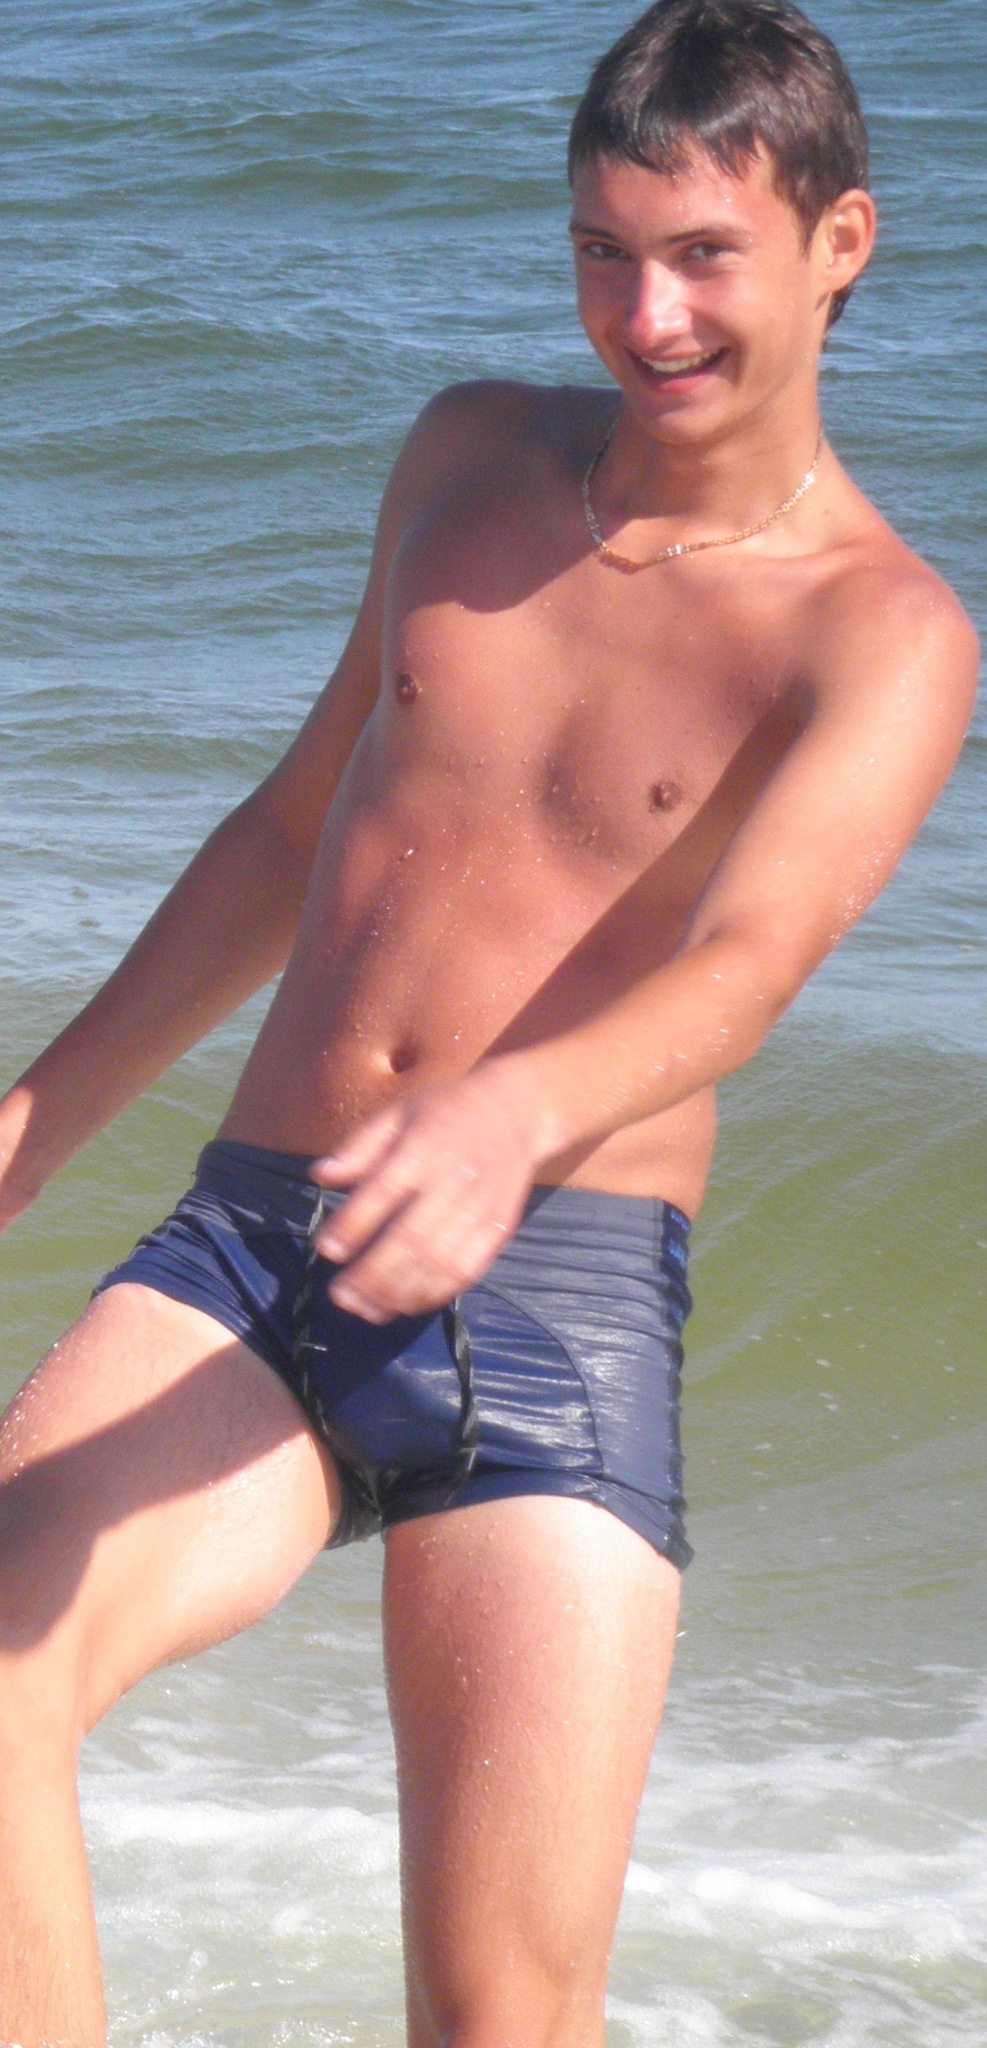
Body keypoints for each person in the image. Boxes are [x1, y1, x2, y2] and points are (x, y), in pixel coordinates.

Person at [0, 0, 978, 2041]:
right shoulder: (464, 460)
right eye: (603, 252)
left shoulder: (878, 630)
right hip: (262, 1239)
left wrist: (507, 1113)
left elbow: (747, 967)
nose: (646, 315)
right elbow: (291, 831)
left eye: (701, 255)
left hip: (554, 1300)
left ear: (839, 241)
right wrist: (38, 1116)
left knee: (502, 2010)